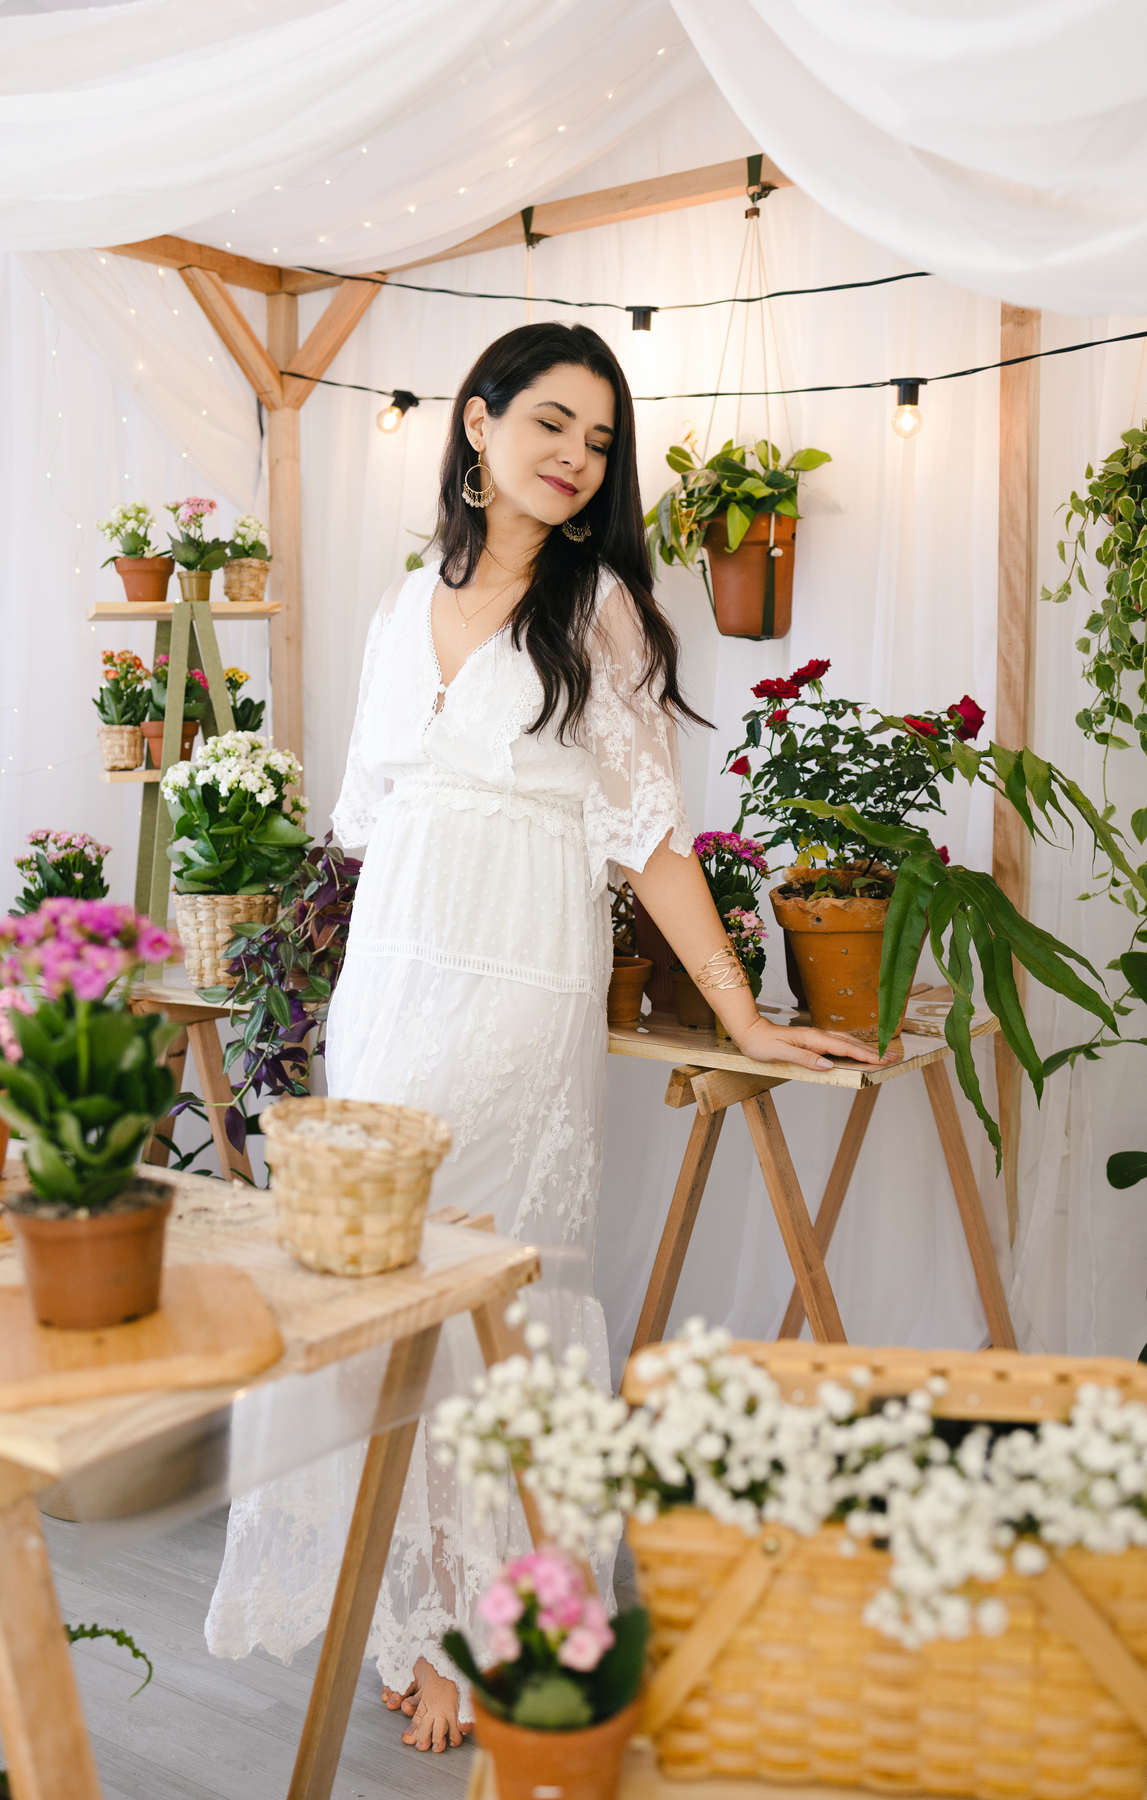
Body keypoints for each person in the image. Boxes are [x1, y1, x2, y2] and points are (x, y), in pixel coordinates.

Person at [204, 322, 895, 1751]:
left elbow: (648, 836)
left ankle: (484, 1627)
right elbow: (362, 822)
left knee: (493, 1296)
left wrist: (747, 1005)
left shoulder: (603, 613)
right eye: (553, 425)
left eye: (599, 440)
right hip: (392, 976)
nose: (578, 458)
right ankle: (395, 1607)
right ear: (476, 422)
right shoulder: (406, 607)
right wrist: (305, 998)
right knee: (383, 1288)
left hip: (521, 975)